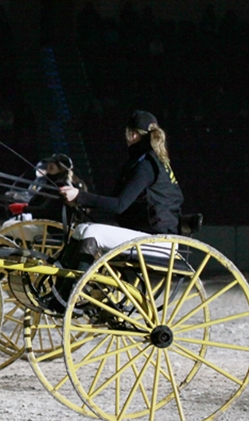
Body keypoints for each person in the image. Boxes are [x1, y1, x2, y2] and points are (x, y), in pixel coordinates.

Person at [50, 111, 184, 307]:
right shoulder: (146, 162)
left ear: (132, 135)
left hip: (157, 240)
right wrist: (81, 202)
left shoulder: (145, 166)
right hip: (150, 234)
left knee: (91, 232)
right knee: (82, 229)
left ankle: (68, 297)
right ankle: (59, 293)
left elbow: (119, 205)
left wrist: (80, 196)